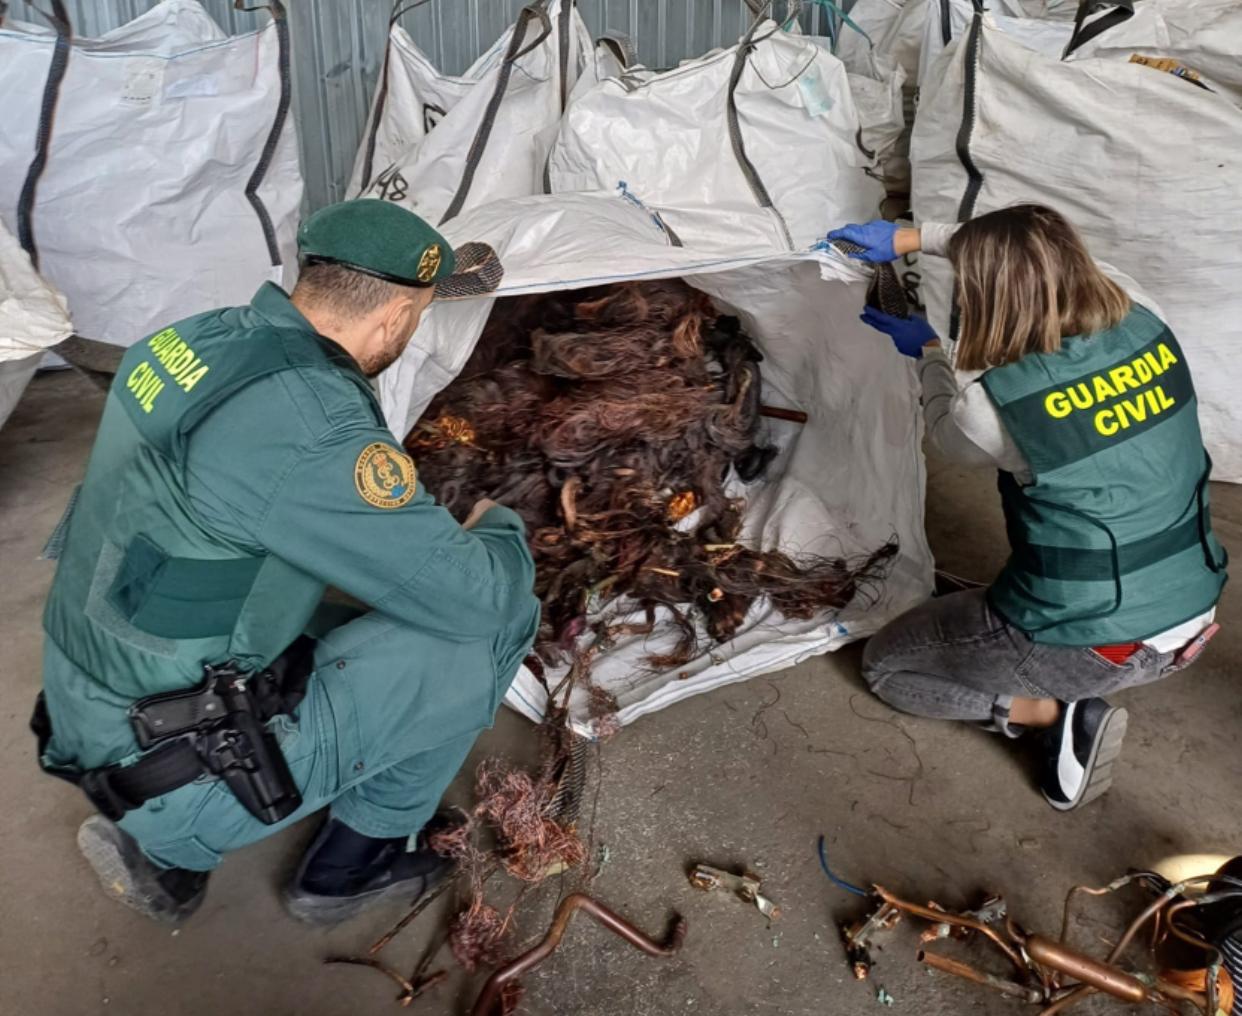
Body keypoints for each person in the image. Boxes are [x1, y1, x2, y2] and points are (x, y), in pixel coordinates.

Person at [33, 199, 540, 925]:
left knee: (375, 601)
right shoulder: (311, 427)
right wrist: (500, 530)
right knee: (485, 627)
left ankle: (169, 839)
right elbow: (477, 598)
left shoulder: (189, 341)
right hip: (169, 766)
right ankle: (347, 869)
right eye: (423, 315)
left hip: (91, 692)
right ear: (395, 319)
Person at [828, 205, 1227, 811]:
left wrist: (930, 350)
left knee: (891, 667)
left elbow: (945, 430)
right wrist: (907, 238)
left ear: (983, 296)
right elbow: (1023, 254)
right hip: (1191, 599)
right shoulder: (1139, 308)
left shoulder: (990, 411)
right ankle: (1055, 677)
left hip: (1094, 643)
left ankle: (1051, 714)